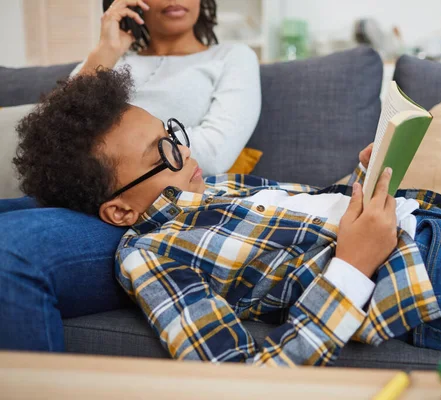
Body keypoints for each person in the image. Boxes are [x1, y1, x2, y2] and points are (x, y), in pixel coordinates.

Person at [10, 69, 441, 364]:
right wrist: (351, 266)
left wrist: (363, 184)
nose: (184, 153)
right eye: (162, 155)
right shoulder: (151, 254)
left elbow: (301, 222)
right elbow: (244, 377)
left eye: (174, 135)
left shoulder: (217, 188)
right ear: (117, 208)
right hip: (437, 275)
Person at [0, 0, 260, 351]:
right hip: (83, 194)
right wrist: (108, 49)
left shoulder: (231, 56)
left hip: (151, 205)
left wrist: (140, 144)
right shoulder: (115, 59)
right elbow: (55, 133)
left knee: (8, 247)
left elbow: (213, 152)